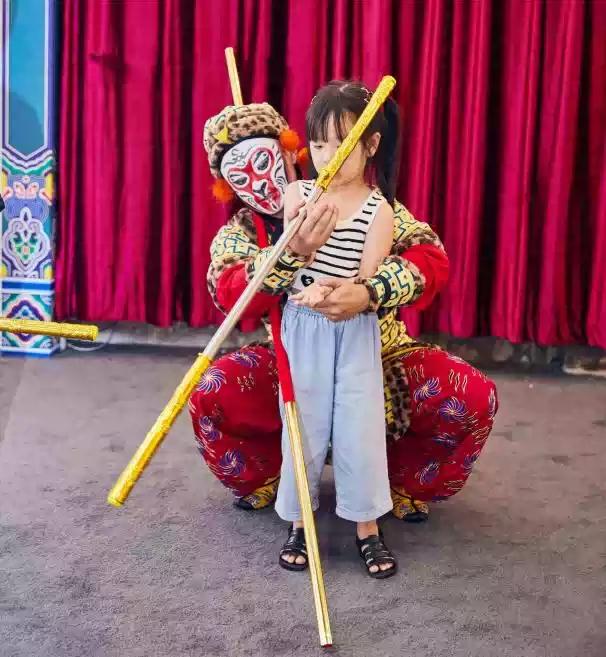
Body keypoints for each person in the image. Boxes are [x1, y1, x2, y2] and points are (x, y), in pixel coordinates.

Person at [189, 89, 497, 537]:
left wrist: (370, 292)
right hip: (292, 361)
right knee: (212, 390)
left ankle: (396, 482)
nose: (260, 182)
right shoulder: (241, 231)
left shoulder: (375, 205)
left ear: (289, 153)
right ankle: (275, 477)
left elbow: (431, 260)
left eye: (265, 161)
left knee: (469, 395)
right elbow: (230, 293)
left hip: (374, 355)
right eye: (241, 175)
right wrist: (289, 254)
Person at [276, 81, 400, 578]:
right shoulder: (298, 193)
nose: (329, 156)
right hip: (303, 328)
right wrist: (303, 254)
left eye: (342, 144)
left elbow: (365, 283)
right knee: (302, 425)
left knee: (358, 427)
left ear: (371, 145)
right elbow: (289, 263)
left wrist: (334, 290)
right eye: (319, 144)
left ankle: (367, 526)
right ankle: (300, 522)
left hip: (353, 330)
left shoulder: (379, 210)